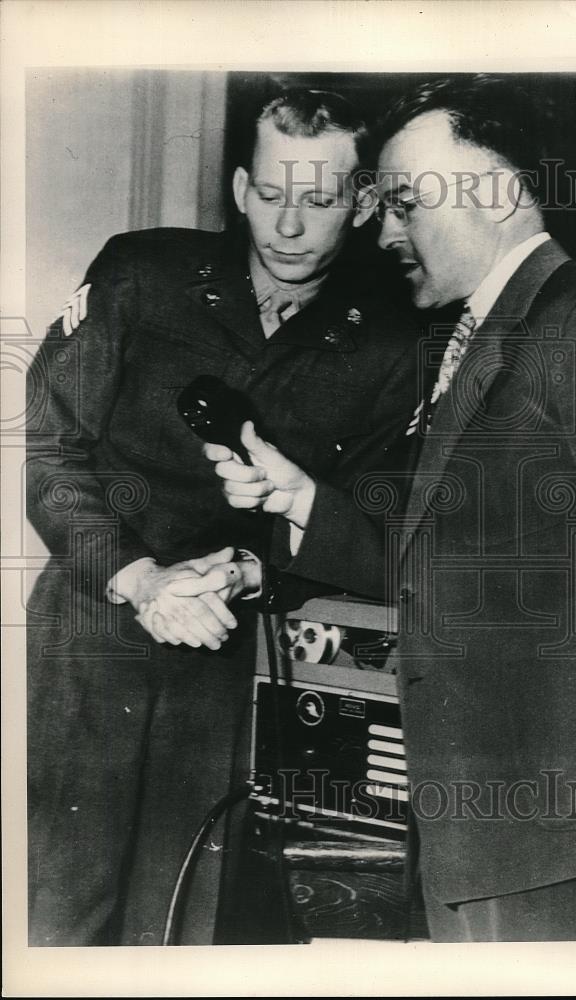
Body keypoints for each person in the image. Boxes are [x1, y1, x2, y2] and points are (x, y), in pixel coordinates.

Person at [206, 76, 576, 941]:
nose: (382, 231)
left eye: (406, 203)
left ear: (496, 196)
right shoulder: (475, 337)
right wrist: (300, 501)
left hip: (572, 837)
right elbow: (438, 561)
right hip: (477, 837)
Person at [25, 88, 422, 945]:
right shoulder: (139, 275)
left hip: (239, 660)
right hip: (90, 638)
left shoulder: (394, 345)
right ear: (240, 186)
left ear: (358, 206)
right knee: (48, 912)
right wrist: (142, 579)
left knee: (184, 918)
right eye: (271, 194)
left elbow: (381, 530)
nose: (286, 225)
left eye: (317, 202)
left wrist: (250, 572)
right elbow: (51, 455)